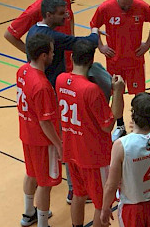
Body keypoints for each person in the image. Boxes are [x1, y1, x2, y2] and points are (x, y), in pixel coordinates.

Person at [55, 40, 125, 227]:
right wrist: (118, 91)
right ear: (91, 60)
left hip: (71, 151)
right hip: (93, 156)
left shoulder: (60, 79)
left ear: (72, 57)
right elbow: (109, 125)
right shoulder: (91, 90)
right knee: (102, 204)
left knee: (78, 194)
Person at [90, 0, 150, 141]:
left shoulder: (142, 7)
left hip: (135, 61)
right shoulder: (105, 8)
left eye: (129, 5)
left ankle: (140, 124)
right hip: (115, 62)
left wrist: (148, 43)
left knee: (140, 96)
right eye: (123, 5)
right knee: (117, 94)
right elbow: (94, 26)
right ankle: (120, 126)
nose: (126, 8)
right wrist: (100, 46)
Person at [101, 93, 150, 227]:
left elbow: (111, 185)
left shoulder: (121, 145)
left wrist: (105, 208)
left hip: (133, 208)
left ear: (133, 114)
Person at [17, 34, 62, 227]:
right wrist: (59, 145)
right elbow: (46, 123)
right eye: (51, 51)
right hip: (42, 141)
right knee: (45, 183)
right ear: (44, 56)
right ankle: (43, 223)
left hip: (26, 133)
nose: (54, 54)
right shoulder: (42, 85)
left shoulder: (22, 70)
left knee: (31, 173)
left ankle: (28, 214)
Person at [4, 0, 75, 72]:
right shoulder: (35, 11)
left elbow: (70, 18)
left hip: (68, 64)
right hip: (51, 68)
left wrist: (72, 40)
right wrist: (34, 55)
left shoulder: (65, 1)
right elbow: (9, 35)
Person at [26, 0, 99, 87]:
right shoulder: (54, 37)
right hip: (50, 86)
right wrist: (95, 31)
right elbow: (87, 42)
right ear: (49, 15)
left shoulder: (33, 29)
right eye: (61, 13)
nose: (65, 16)